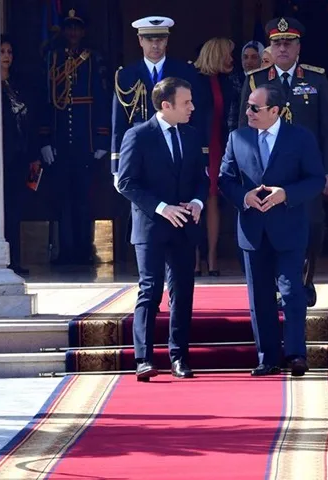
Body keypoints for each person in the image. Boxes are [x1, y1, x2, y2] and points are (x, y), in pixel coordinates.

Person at [219, 83, 326, 377]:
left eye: (255, 108)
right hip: (252, 230)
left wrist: (286, 194)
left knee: (292, 292)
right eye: (248, 107)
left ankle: (296, 354)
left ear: (275, 111)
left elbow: (316, 179)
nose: (248, 112)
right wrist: (244, 197)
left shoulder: (300, 137)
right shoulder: (237, 138)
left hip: (289, 227)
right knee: (260, 297)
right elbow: (225, 179)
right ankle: (267, 357)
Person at [238, 17, 328, 307]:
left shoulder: (315, 79)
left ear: (298, 47)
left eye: (288, 43)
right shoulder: (256, 80)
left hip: (307, 171)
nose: (282, 48)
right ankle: (277, 282)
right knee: (269, 226)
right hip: (266, 168)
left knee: (313, 224)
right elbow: (243, 129)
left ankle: (305, 280)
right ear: (270, 47)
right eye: (277, 43)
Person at [116, 77, 208, 381]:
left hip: (184, 225)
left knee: (182, 291)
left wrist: (197, 202)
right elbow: (126, 182)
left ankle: (178, 357)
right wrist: (161, 208)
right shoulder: (138, 135)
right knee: (151, 289)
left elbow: (201, 178)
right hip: (151, 225)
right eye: (186, 102)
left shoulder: (191, 135)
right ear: (166, 105)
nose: (192, 107)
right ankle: (144, 358)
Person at [111, 16, 197, 262]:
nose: (155, 45)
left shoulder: (184, 71)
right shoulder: (126, 75)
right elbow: (119, 122)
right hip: (140, 152)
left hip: (176, 148)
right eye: (149, 39)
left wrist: (200, 157)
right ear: (140, 41)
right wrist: (116, 165)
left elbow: (195, 115)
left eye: (160, 39)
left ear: (167, 41)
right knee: (144, 212)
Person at [39, 9, 110, 266]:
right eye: (69, 27)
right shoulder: (52, 58)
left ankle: (84, 250)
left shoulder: (93, 58)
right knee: (62, 199)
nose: (73, 32)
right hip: (60, 142)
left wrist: (101, 139)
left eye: (77, 28)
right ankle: (65, 251)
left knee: (83, 199)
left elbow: (102, 99)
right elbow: (46, 99)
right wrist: (45, 139)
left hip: (85, 141)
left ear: (83, 31)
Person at [193, 37, 239, 276]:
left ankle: (211, 258)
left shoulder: (227, 81)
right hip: (196, 146)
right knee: (193, 197)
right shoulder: (194, 79)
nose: (231, 59)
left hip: (218, 145)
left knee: (212, 199)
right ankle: (194, 258)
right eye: (228, 54)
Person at [0, 35, 38, 275]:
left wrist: (33, 154)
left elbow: (29, 121)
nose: (6, 56)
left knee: (16, 210)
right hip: (1, 157)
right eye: (2, 51)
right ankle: (3, 260)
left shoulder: (16, 85)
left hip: (20, 157)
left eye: (9, 51)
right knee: (4, 211)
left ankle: (15, 260)